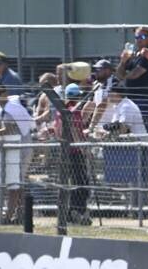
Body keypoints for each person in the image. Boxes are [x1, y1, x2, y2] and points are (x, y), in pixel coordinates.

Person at [0, 84, 34, 224]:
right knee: (14, 184)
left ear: (6, 92)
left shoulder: (10, 109)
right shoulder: (1, 109)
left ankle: (9, 217)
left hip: (21, 150)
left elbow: (6, 130)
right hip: (11, 151)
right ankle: (21, 214)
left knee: (15, 184)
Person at [55, 82, 91, 224]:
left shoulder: (60, 110)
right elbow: (75, 130)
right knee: (81, 182)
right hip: (75, 151)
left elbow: (57, 130)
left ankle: (69, 211)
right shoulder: (73, 110)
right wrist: (83, 149)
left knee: (69, 181)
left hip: (64, 151)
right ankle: (77, 211)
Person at [115, 26, 148, 115]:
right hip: (129, 98)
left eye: (142, 37)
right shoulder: (134, 55)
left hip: (143, 99)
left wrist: (124, 77)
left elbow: (135, 74)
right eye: (137, 37)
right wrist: (123, 61)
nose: (139, 40)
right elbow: (118, 74)